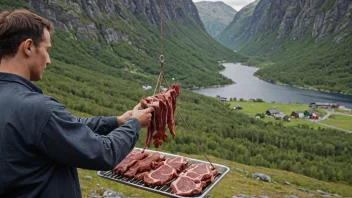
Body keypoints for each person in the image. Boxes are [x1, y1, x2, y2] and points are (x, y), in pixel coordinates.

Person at [0, 9, 154, 198]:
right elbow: (103, 153)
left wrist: (117, 121)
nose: (49, 60)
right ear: (28, 47)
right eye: (47, 50)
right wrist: (135, 124)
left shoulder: (23, 107)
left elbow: (65, 126)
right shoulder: (38, 109)